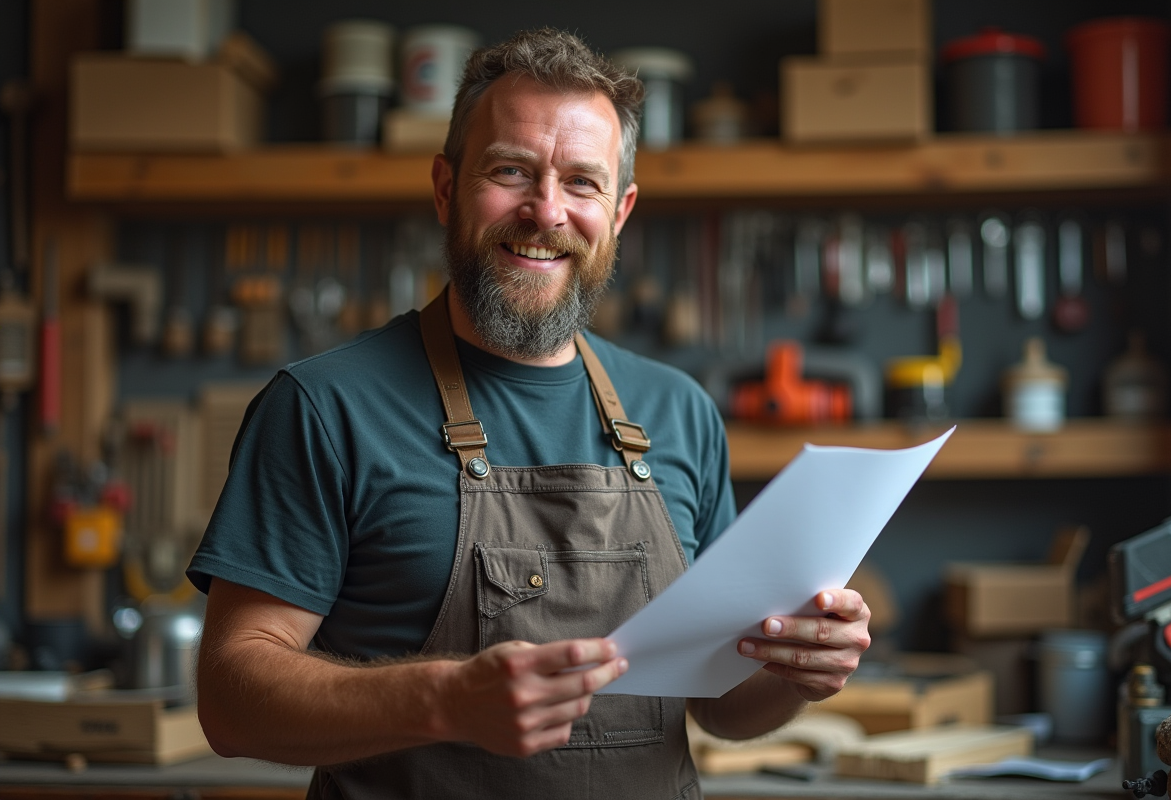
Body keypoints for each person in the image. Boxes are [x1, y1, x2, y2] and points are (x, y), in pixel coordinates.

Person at [188, 27, 870, 800]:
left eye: (583, 183)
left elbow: (722, 705)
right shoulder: (324, 406)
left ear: (621, 210)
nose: (546, 212)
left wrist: (796, 671)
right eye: (511, 171)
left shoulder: (679, 412)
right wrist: (443, 700)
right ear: (447, 188)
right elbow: (232, 700)